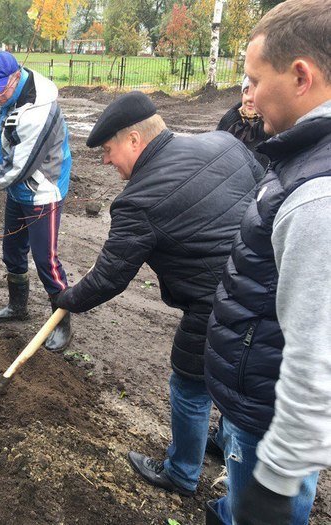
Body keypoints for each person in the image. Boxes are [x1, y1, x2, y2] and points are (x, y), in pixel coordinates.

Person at [53, 91, 264, 497]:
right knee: (242, 384)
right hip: (261, 290)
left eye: (109, 150)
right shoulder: (224, 143)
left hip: (215, 305)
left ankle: (182, 473)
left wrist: (65, 299)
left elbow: (109, 279)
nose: (106, 160)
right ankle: (222, 445)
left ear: (135, 140)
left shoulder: (138, 200)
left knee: (189, 385)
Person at [204, 0, 331, 524]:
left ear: (300, 75)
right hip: (256, 398)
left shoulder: (317, 196)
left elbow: (315, 352)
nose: (247, 98)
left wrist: (276, 481)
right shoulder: (303, 157)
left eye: (255, 80)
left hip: (269, 414)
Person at [0, 51, 73, 352]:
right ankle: (18, 306)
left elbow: (17, 169)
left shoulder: (37, 111)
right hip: (18, 188)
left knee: (45, 260)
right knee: (12, 250)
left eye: (1, 89)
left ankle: (61, 321)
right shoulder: (11, 89)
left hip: (42, 189)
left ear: (16, 77)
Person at [216, 75, 270, 167]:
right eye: (246, 92)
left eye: (256, 93)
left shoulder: (271, 131)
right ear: (242, 96)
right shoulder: (228, 123)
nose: (249, 99)